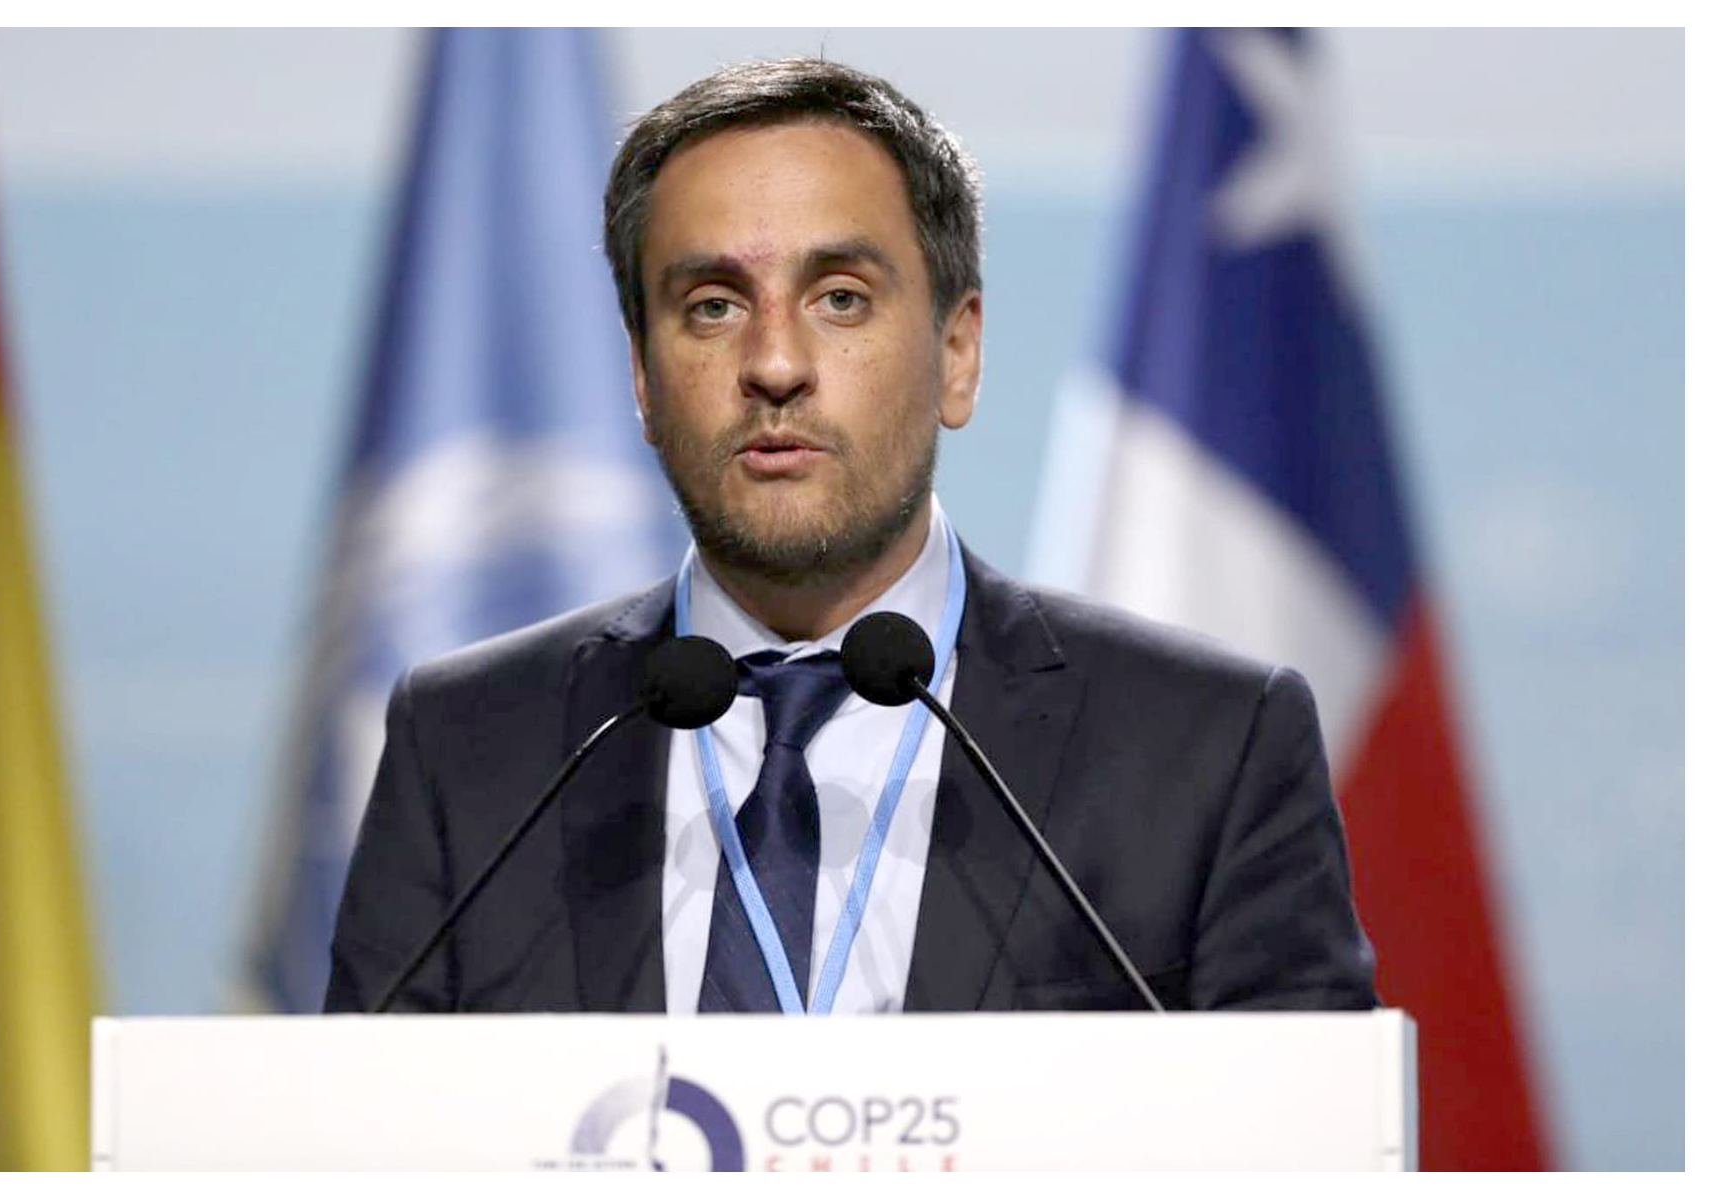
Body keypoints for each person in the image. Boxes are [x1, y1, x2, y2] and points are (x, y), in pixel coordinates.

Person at [323, 58, 1376, 1015]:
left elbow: (1301, 1129)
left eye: (840, 298)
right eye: (712, 306)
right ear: (641, 377)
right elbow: (359, 1130)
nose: (775, 364)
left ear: (957, 353)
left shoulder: (1206, 746)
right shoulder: (468, 750)